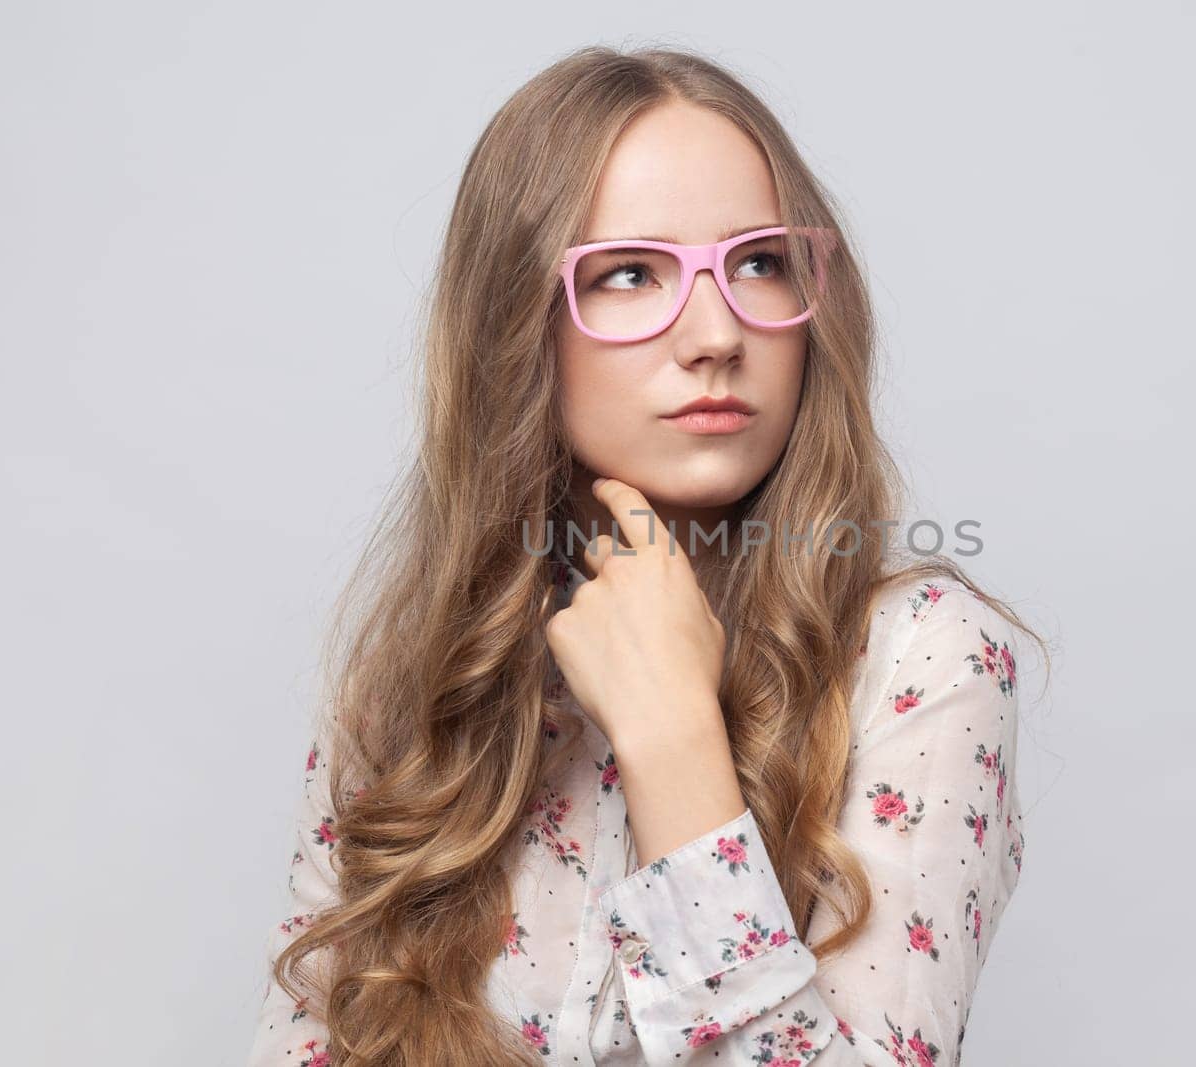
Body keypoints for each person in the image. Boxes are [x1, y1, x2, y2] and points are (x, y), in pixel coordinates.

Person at [245, 44, 1046, 1067]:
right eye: (628, 274)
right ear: (515, 325)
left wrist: (674, 739)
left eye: (758, 263)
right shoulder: (409, 679)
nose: (715, 333)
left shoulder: (923, 658)